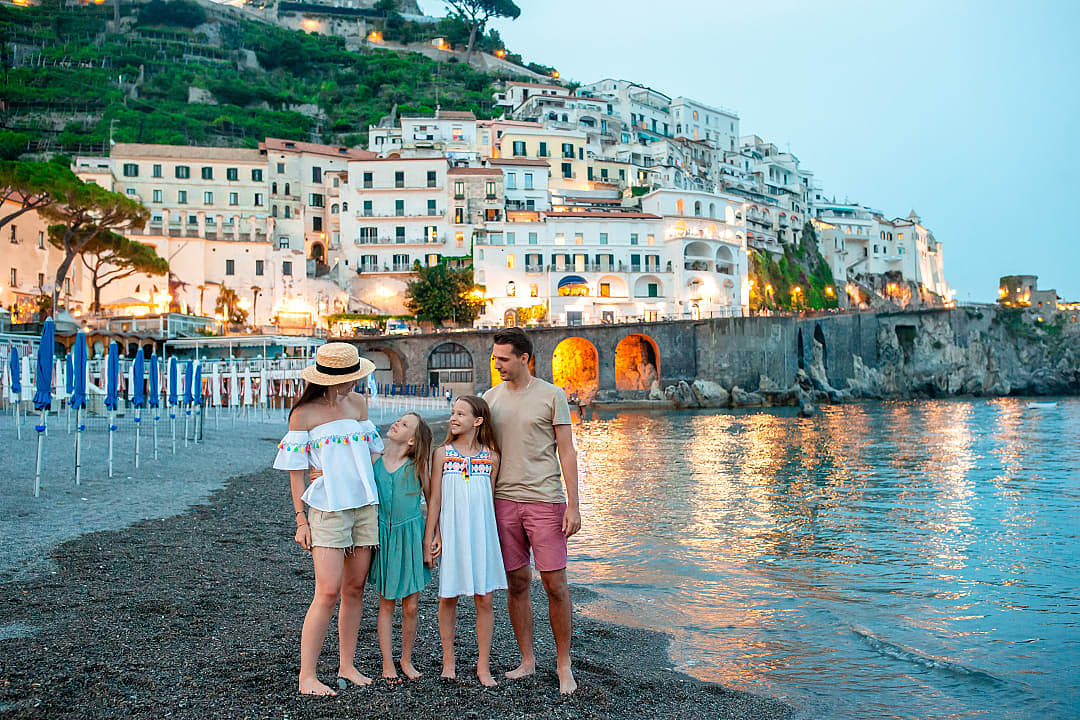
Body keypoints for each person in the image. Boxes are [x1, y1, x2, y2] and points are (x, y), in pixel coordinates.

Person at [273, 343, 381, 696]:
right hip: (327, 508)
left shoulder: (359, 404)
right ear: (329, 379)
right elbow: (296, 473)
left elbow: (372, 453)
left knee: (355, 589)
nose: (354, 383)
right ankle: (307, 676)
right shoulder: (303, 414)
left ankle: (347, 666)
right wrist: (301, 521)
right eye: (349, 379)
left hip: (364, 506)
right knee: (328, 591)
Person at [485, 327, 581, 695]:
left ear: (524, 358)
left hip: (545, 500)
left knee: (555, 584)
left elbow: (566, 451)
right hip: (503, 502)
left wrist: (574, 505)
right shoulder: (489, 399)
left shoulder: (552, 395)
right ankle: (527, 660)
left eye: (504, 359)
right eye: (495, 358)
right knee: (517, 583)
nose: (497, 365)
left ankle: (563, 664)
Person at [424, 396, 506, 687]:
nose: (453, 418)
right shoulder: (442, 454)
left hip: (482, 533)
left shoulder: (492, 457)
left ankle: (483, 666)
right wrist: (432, 536)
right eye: (453, 413)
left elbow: (490, 500)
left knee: (485, 598)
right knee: (448, 596)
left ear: (478, 421)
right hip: (452, 531)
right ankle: (449, 661)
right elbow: (435, 500)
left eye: (461, 413)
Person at [369, 412, 433, 683]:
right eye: (399, 420)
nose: (397, 423)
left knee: (411, 606)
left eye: (405, 424)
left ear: (412, 441)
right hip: (384, 537)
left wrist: (431, 539)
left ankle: (406, 659)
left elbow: (433, 502)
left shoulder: (417, 466)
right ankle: (387, 662)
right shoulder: (374, 461)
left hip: (410, 537)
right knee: (386, 603)